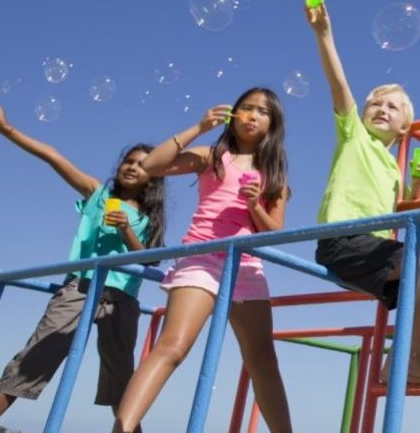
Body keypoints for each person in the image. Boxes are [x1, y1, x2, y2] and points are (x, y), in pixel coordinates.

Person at [0, 101, 166, 433]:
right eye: (128, 161)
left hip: (122, 300)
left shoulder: (149, 219)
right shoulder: (96, 194)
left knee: (122, 385)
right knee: (28, 366)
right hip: (81, 288)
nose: (132, 167)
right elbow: (54, 157)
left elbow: (149, 259)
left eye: (143, 165)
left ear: (153, 178)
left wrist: (125, 230)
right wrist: (7, 128)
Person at [112, 89, 293, 433]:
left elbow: (274, 232)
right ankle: (121, 429)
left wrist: (254, 206)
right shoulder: (212, 156)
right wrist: (199, 126)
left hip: (247, 268)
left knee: (264, 363)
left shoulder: (276, 177)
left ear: (273, 124)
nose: (252, 115)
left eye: (262, 111)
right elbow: (152, 165)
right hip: (202, 259)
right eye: (246, 108)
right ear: (233, 116)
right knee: (173, 347)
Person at [304, 1, 420, 385]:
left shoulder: (392, 167)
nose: (382, 109)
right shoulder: (353, 136)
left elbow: (409, 213)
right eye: (376, 103)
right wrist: (324, 34)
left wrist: (417, 185)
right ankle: (414, 355)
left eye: (393, 107)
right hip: (342, 241)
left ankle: (398, 358)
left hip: (372, 251)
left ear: (405, 128)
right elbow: (338, 85)